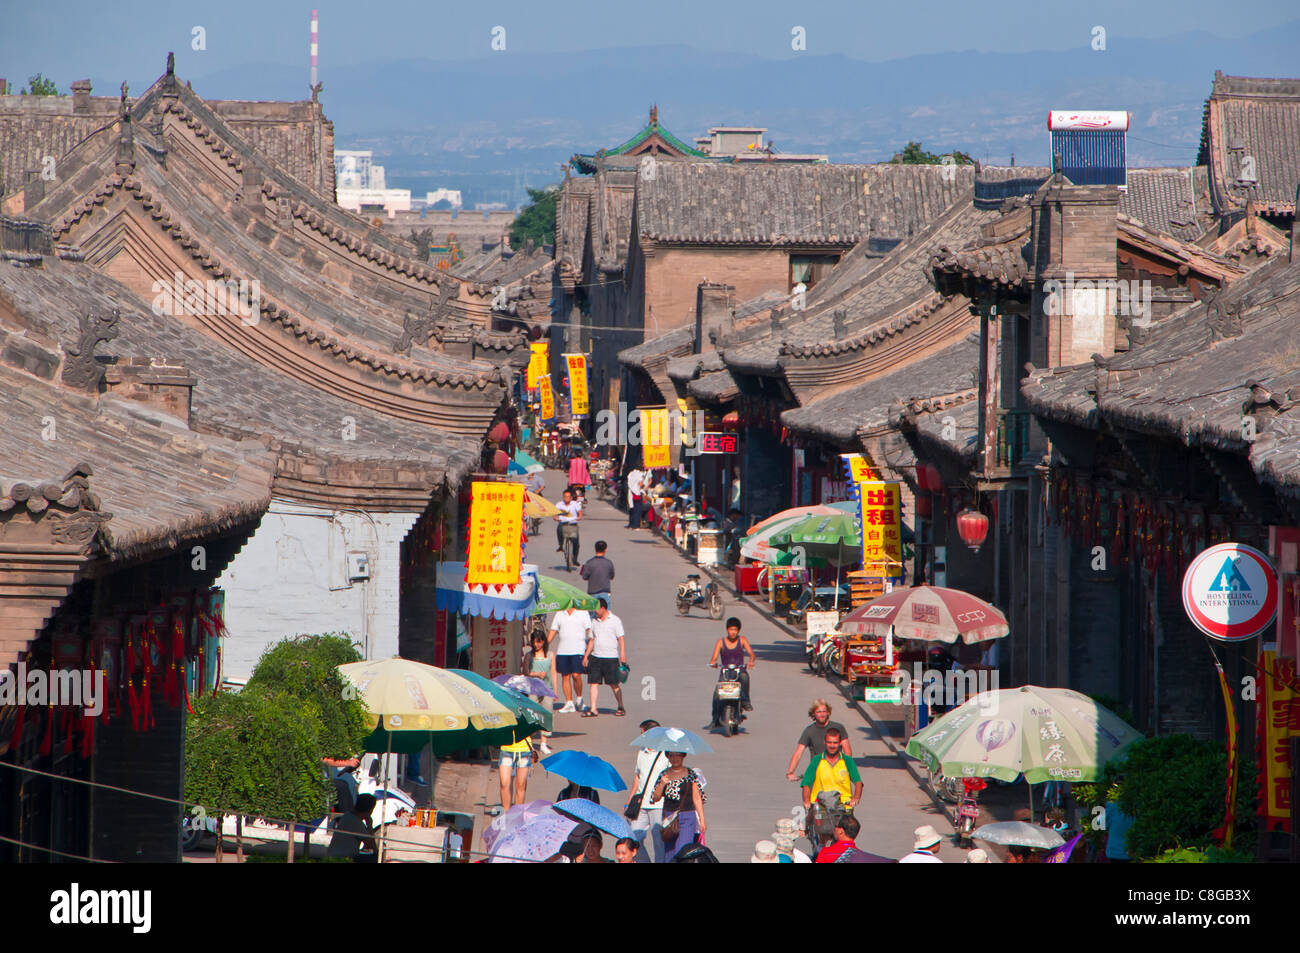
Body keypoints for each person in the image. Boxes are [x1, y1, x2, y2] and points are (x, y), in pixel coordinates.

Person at [651, 751, 706, 862]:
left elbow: (696, 797)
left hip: (687, 817)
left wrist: (702, 819)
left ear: (683, 755)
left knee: (683, 851)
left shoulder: (691, 775)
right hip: (669, 818)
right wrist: (662, 784)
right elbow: (655, 797)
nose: (675, 758)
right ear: (668, 757)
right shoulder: (664, 774)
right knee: (669, 853)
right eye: (671, 755)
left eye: (678, 755)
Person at [628, 719, 670, 863]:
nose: (641, 736)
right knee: (633, 839)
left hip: (659, 805)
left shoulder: (666, 754)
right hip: (641, 804)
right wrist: (629, 800)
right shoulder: (641, 753)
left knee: (659, 842)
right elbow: (637, 778)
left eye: (643, 733)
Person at [800, 728, 862, 816]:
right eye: (829, 742)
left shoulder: (847, 760)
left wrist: (856, 798)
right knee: (810, 827)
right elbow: (806, 783)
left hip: (843, 806)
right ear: (824, 742)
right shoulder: (817, 760)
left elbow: (858, 782)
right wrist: (807, 801)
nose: (832, 746)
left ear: (840, 743)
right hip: (820, 805)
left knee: (852, 827)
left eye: (835, 742)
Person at [786, 699, 853, 781]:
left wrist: (848, 769)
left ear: (828, 712)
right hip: (817, 773)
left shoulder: (838, 728)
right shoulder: (809, 731)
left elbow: (847, 751)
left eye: (824, 712)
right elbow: (798, 753)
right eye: (819, 712)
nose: (822, 715)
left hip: (836, 772)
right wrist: (790, 772)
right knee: (808, 791)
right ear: (813, 714)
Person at [582, 596, 626, 717]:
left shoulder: (615, 620)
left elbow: (621, 638)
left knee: (614, 684)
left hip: (611, 657)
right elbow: (592, 639)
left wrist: (622, 654)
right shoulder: (594, 621)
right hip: (596, 657)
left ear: (603, 608)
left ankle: (621, 706)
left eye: (596, 609)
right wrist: (586, 656)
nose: (595, 612)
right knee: (593, 683)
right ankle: (593, 708)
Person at [708, 617, 756, 726]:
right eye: (731, 629)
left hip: (739, 671)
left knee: (745, 678)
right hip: (725, 673)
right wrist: (713, 663)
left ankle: (745, 702)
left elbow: (751, 654)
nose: (733, 632)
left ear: (738, 630)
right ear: (727, 630)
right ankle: (715, 719)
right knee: (716, 695)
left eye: (735, 630)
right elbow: (714, 658)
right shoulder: (720, 642)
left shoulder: (742, 640)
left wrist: (751, 661)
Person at [547, 603, 593, 713]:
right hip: (563, 650)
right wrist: (545, 645)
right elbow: (553, 630)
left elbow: (589, 630)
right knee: (565, 676)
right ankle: (569, 702)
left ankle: (579, 699)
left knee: (576, 675)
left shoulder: (583, 612)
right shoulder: (560, 613)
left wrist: (592, 644)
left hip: (578, 649)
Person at [524, 630, 555, 754]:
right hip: (533, 689)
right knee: (531, 714)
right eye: (535, 642)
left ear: (543, 642)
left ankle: (543, 743)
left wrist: (555, 691)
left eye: (539, 642)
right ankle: (529, 742)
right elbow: (525, 672)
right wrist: (536, 674)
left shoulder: (550, 655)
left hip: (547, 689)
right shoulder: (529, 656)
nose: (537, 644)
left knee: (547, 715)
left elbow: (553, 673)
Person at [327, 793, 377, 860]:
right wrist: (369, 825)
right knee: (374, 858)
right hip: (342, 858)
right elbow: (371, 845)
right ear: (370, 810)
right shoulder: (355, 822)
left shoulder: (348, 816)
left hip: (335, 855)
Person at [497, 733, 535, 812]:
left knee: (521, 785)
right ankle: (506, 814)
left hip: (524, 750)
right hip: (506, 749)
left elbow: (533, 730)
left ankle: (517, 814)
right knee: (504, 783)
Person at [579, 540, 615, 605]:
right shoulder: (609, 563)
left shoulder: (589, 562)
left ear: (595, 549)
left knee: (592, 613)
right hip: (605, 593)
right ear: (605, 549)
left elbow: (584, 577)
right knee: (605, 614)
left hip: (592, 593)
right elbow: (611, 576)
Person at [554, 488, 583, 563]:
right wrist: (555, 517)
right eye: (565, 496)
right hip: (562, 523)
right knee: (559, 530)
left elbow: (580, 513)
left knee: (576, 543)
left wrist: (579, 517)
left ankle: (575, 559)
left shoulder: (575, 504)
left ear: (571, 497)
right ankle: (561, 545)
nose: (566, 498)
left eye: (568, 497)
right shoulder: (559, 504)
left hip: (572, 524)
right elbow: (554, 514)